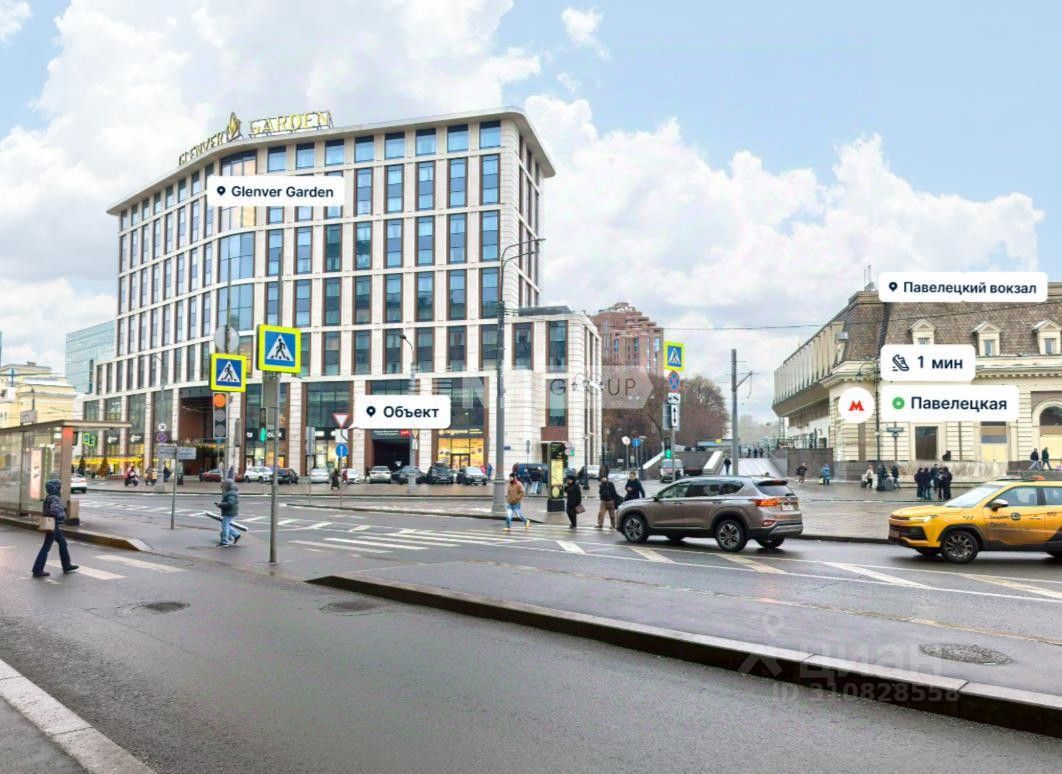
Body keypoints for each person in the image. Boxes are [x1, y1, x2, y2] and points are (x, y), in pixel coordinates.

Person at [32, 480, 78, 578]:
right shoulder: (54, 498)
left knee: (62, 543)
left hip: (52, 524)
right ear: (55, 488)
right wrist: (62, 516)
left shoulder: (49, 497)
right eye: (59, 487)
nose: (60, 489)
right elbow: (55, 510)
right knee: (46, 547)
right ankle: (37, 570)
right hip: (53, 524)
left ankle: (66, 565)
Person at [215, 479, 241, 547]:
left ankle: (224, 542)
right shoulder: (230, 492)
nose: (222, 486)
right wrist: (220, 504)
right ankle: (236, 535)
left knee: (225, 526)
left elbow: (230, 503)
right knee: (226, 525)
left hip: (229, 512)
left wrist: (220, 504)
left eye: (223, 485)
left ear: (227, 485)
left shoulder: (231, 493)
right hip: (229, 512)